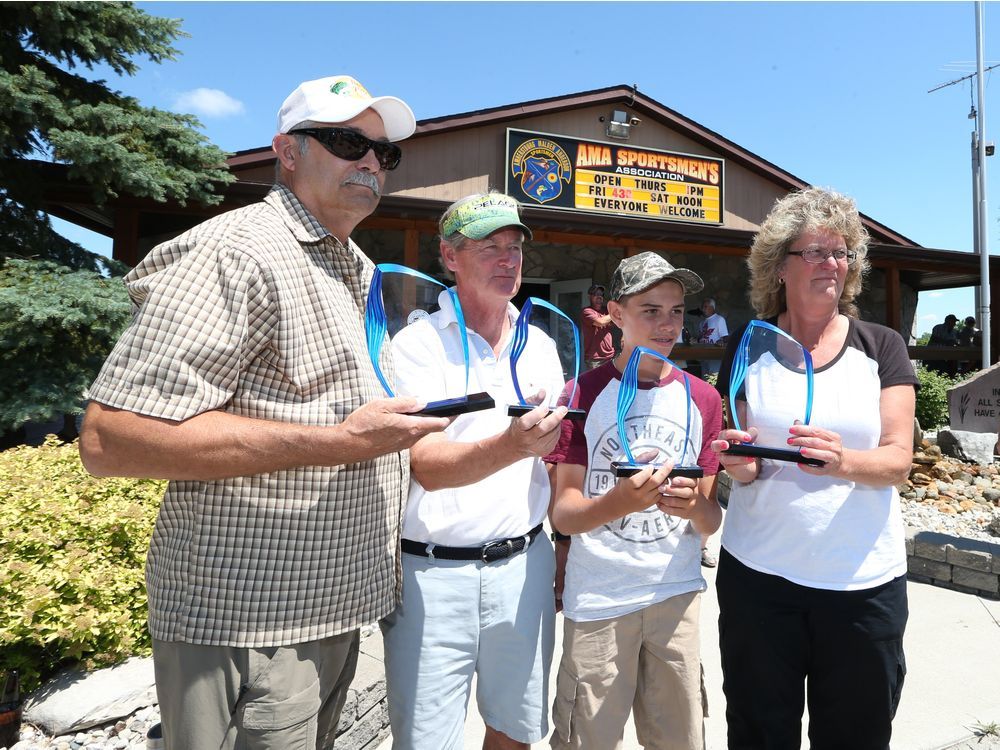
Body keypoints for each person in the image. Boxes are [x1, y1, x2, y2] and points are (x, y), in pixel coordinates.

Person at [78, 75, 451, 750]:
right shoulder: (238, 251)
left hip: (330, 612)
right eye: (346, 142)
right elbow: (114, 439)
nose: (370, 161)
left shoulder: (358, 269)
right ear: (286, 151)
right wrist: (339, 441)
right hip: (248, 625)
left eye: (384, 153)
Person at [712, 187, 917, 749]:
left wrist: (843, 460)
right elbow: (748, 468)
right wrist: (736, 462)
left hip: (861, 585)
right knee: (759, 732)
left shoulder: (882, 347)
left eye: (841, 252)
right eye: (816, 252)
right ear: (779, 266)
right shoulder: (747, 346)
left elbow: (898, 459)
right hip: (759, 578)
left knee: (856, 734)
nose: (832, 264)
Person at [381, 192, 568, 750]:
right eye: (491, 248)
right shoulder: (415, 346)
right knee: (424, 741)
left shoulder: (539, 344)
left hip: (524, 566)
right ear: (450, 257)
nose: (508, 260)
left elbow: (553, 459)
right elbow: (425, 468)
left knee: (515, 730)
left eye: (514, 248)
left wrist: (561, 546)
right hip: (431, 578)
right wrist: (512, 444)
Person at [546, 251, 723, 750]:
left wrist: (694, 507)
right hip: (600, 601)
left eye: (677, 311)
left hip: (676, 597)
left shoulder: (702, 400)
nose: (668, 325)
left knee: (680, 739)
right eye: (651, 310)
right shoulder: (582, 393)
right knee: (588, 739)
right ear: (617, 315)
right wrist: (621, 501)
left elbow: (709, 520)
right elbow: (564, 513)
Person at [582, 283, 615, 369]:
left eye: (601, 295)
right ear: (589, 297)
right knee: (596, 382)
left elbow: (620, 322)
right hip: (595, 359)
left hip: (609, 356)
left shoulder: (606, 310)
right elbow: (600, 322)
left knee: (610, 382)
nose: (599, 297)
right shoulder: (587, 311)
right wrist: (614, 312)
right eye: (596, 294)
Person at [697, 297, 729, 376]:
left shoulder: (719, 319)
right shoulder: (702, 323)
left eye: (705, 307)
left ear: (712, 308)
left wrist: (721, 341)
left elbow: (725, 337)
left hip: (714, 355)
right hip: (704, 355)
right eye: (702, 307)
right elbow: (700, 338)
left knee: (713, 378)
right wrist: (695, 340)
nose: (703, 309)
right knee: (705, 379)